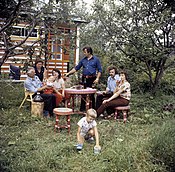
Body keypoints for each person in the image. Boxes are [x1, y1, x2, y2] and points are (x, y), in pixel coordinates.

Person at [65, 46, 102, 111]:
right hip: (84, 78)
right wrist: (68, 73)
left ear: (89, 52)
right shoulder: (83, 60)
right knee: (83, 93)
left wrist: (97, 78)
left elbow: (100, 70)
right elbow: (76, 68)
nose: (84, 53)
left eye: (85, 52)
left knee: (91, 94)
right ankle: (82, 109)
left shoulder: (96, 60)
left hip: (92, 79)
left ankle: (93, 109)